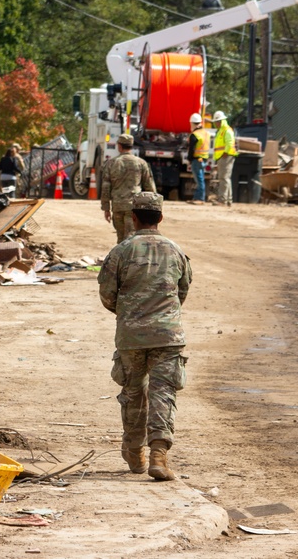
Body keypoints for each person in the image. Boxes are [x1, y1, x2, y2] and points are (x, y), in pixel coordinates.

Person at [98, 192, 192, 481]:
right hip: (168, 335)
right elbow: (183, 290)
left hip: (131, 336)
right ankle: (159, 456)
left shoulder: (121, 251)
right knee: (163, 393)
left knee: (133, 393)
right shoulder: (175, 251)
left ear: (134, 218)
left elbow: (107, 294)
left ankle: (134, 452)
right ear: (160, 218)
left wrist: (129, 314)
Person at [100, 133, 156, 243]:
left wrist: (106, 208)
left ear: (119, 146)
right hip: (134, 207)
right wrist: (153, 209)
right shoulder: (141, 163)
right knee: (131, 238)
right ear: (131, 146)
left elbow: (106, 188)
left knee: (120, 239)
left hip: (117, 207)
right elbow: (150, 187)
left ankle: (121, 259)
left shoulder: (111, 163)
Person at [211, 111, 238, 206]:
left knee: (224, 178)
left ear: (221, 121)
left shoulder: (226, 130)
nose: (215, 123)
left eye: (217, 121)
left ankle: (222, 200)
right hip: (222, 157)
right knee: (226, 178)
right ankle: (228, 200)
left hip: (226, 156)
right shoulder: (221, 131)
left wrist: (225, 153)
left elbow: (230, 142)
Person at [187, 113, 209, 204]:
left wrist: (189, 159)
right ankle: (197, 198)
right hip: (204, 158)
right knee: (200, 179)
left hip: (197, 159)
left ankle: (200, 199)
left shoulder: (195, 135)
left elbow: (191, 149)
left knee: (199, 179)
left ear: (192, 123)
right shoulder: (205, 133)